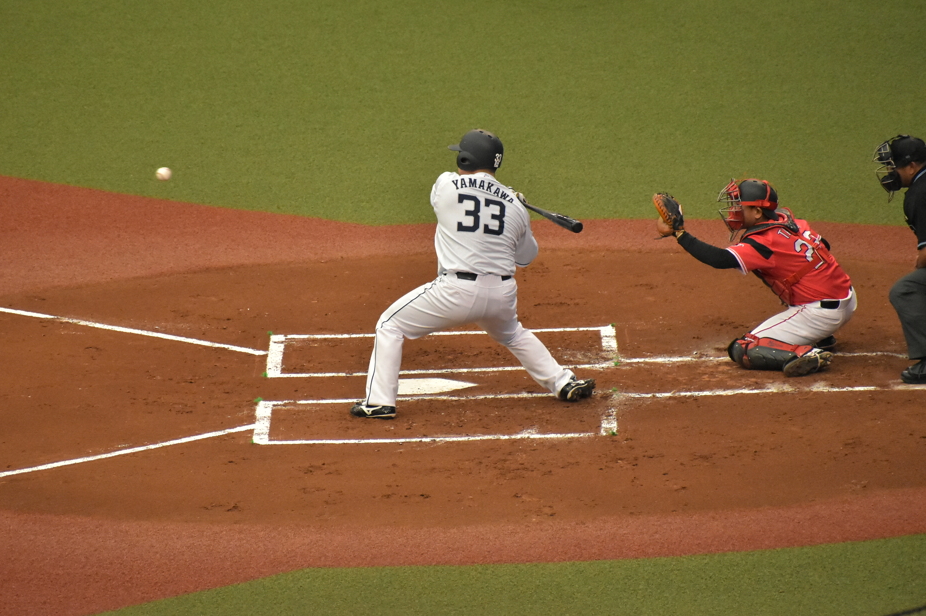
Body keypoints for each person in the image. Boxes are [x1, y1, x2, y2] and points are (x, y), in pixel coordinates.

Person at [350, 129, 595, 418]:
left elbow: (464, 198)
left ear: (465, 159)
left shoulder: (445, 186)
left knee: (390, 325)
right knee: (513, 334)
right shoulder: (517, 207)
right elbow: (526, 258)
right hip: (501, 296)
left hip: (454, 292)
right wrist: (512, 204)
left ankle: (379, 401)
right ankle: (563, 382)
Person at [655, 178, 856, 377]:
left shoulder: (764, 242)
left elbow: (720, 259)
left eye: (739, 206)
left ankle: (807, 353)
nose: (733, 212)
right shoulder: (792, 223)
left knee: (745, 348)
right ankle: (821, 336)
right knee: (801, 275)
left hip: (819, 314)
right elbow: (825, 247)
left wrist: (679, 233)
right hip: (847, 298)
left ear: (758, 212)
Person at [872, 134, 926, 383]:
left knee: (906, 290)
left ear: (912, 166)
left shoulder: (919, 193)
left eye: (894, 166)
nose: (890, 173)